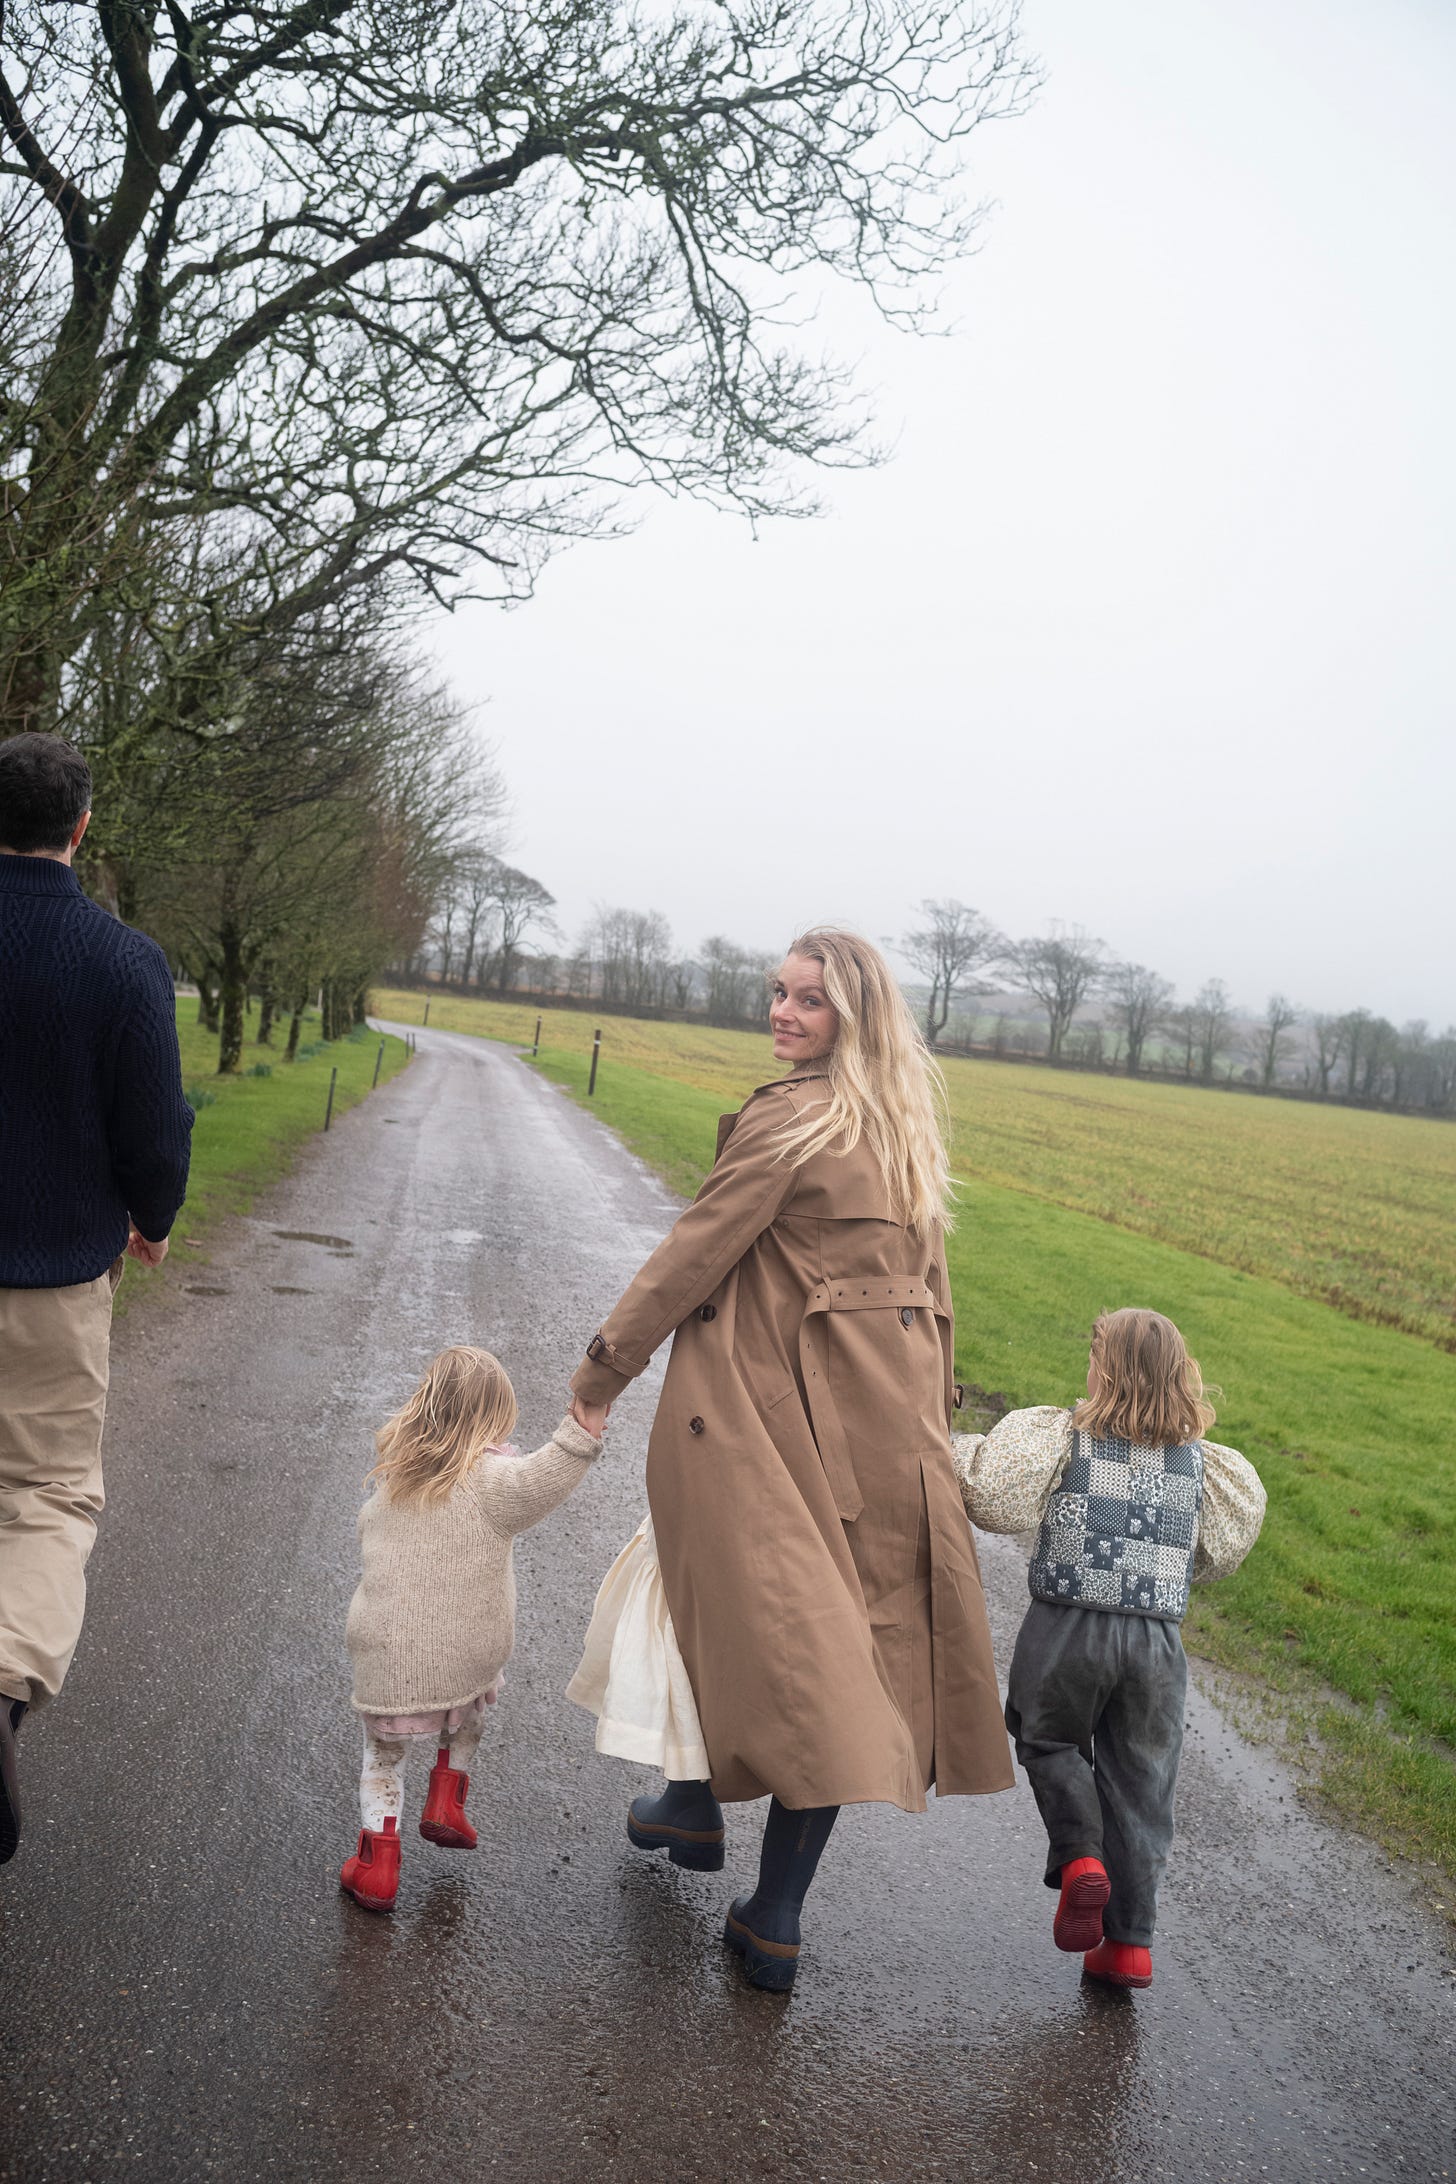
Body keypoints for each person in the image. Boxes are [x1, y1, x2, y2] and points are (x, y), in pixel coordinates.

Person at [567, 928, 1014, 1992]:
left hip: (777, 1404)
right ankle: (757, 1891)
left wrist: (604, 1368)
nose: (781, 1011)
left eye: (808, 1000)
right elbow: (937, 1296)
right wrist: (933, 1417)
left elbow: (693, 1253)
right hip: (890, 1424)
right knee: (833, 1640)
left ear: (852, 1016)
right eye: (778, 992)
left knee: (738, 1600)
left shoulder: (791, 1119)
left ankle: (711, 1829)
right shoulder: (904, 1127)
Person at [0, 733, 193, 1865]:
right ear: (80, 828)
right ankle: (1, 1687)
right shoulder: (123, 963)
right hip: (52, 1281)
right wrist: (153, 1217)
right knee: (43, 1494)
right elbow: (154, 1126)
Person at [953, 1307, 1267, 1990]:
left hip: (1067, 1626)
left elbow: (993, 1500)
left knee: (1049, 1740)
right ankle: (1128, 1946)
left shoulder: (1065, 1439)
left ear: (1105, 1371)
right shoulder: (1205, 1465)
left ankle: (1080, 1859)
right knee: (1142, 1785)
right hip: (1156, 1644)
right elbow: (1215, 1556)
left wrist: (945, 1450)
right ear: (1180, 1376)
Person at [341, 1345, 608, 1912]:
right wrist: (580, 1429)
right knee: (472, 1705)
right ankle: (448, 1798)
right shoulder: (491, 1481)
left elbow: (369, 1541)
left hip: (386, 1658)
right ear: (496, 1418)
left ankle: (376, 1865)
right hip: (467, 1654)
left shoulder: (392, 1483)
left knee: (384, 1757)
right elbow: (544, 1476)